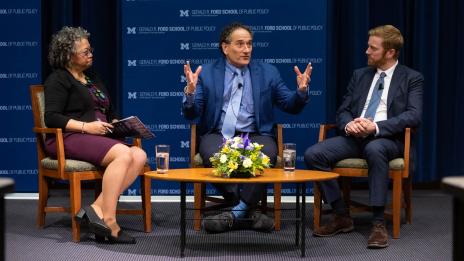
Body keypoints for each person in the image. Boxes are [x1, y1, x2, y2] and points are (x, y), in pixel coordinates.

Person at [182, 22, 312, 233]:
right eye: (240, 44)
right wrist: (190, 92)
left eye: (249, 44)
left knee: (267, 155)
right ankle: (248, 212)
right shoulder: (206, 73)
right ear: (225, 47)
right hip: (219, 134)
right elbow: (192, 113)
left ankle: (235, 213)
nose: (247, 49)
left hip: (256, 134)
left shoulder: (268, 72)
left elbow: (290, 105)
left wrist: (301, 92)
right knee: (213, 155)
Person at [304, 25, 423, 248]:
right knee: (313, 155)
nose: (366, 51)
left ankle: (378, 224)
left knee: (374, 149)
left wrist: (375, 127)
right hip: (355, 137)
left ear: (390, 52)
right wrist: (350, 125)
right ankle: (341, 214)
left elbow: (413, 116)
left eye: (373, 48)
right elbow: (343, 109)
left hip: (387, 139)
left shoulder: (411, 78)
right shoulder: (360, 75)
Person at [44, 26, 147, 244]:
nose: (91, 54)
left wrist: (117, 123)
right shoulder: (58, 79)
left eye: (91, 50)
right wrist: (86, 127)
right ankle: (109, 221)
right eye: (85, 52)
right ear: (68, 55)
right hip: (68, 137)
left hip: (98, 136)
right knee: (123, 154)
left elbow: (109, 110)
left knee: (138, 155)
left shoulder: (92, 77)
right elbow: (51, 117)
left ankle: (93, 210)